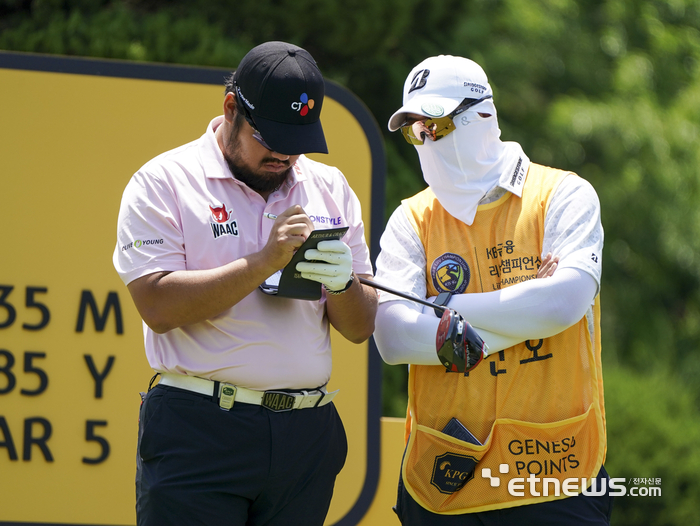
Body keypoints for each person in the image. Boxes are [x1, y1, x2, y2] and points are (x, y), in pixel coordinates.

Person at [113, 41, 378, 526]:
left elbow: (360, 328)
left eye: (296, 140)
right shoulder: (164, 180)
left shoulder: (330, 186)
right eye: (268, 137)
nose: (283, 154)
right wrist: (263, 261)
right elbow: (156, 305)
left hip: (305, 432)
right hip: (200, 428)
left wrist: (344, 286)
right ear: (231, 108)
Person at [373, 55, 611, 525]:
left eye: (435, 125)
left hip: (553, 472)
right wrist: (527, 310)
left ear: (482, 116)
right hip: (446, 478)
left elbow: (564, 303)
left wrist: (440, 310)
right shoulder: (411, 219)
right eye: (414, 131)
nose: (425, 141)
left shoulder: (564, 194)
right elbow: (393, 338)